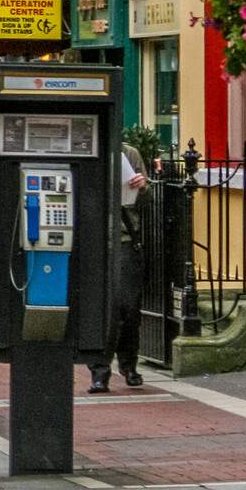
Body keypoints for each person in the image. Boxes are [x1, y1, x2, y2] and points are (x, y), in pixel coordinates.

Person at [90, 147, 148, 393]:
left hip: (125, 240)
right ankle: (100, 371)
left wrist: (143, 185)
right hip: (96, 240)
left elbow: (147, 199)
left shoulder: (129, 154)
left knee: (128, 307)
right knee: (103, 310)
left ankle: (128, 364)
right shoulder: (90, 149)